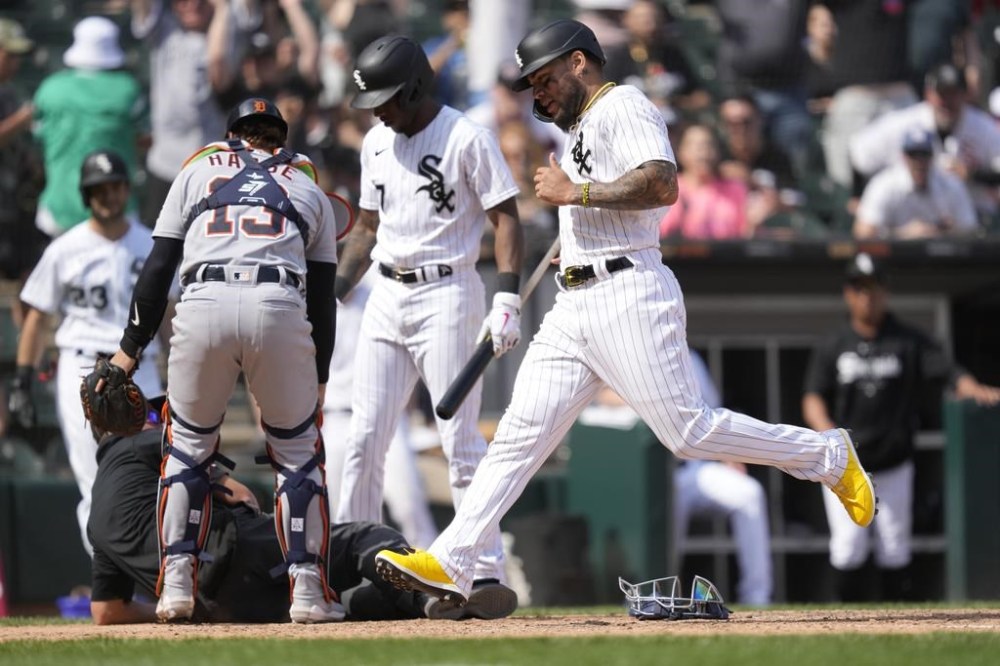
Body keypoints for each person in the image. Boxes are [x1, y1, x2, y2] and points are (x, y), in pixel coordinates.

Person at [373, 19, 877, 607]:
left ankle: (825, 454)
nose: (537, 94)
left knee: (689, 433)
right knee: (517, 436)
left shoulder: (624, 104)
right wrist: (577, 227)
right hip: (574, 300)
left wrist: (574, 196)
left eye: (543, 79)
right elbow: (608, 195)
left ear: (580, 62)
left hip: (628, 292)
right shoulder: (580, 127)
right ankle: (453, 561)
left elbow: (662, 185)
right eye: (530, 85)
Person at [103, 97, 341, 624]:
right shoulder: (308, 185)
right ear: (279, 137)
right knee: (298, 452)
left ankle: (177, 588)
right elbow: (322, 301)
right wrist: (320, 376)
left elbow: (159, 263)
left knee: (186, 449)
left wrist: (129, 349)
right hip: (278, 305)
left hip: (203, 303)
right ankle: (306, 593)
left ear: (232, 134)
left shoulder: (195, 169)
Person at [332, 34, 524, 606]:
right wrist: (336, 293)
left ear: (416, 86)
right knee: (365, 435)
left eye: (388, 99)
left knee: (459, 438)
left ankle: (483, 571)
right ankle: (349, 562)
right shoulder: (374, 144)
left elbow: (506, 217)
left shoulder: (466, 135)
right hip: (386, 292)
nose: (380, 112)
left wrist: (508, 296)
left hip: (448, 291)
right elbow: (366, 227)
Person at [88, 411, 512, 623]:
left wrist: (171, 608)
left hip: (222, 608)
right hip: (239, 550)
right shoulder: (141, 445)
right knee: (359, 537)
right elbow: (236, 491)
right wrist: (248, 500)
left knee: (336, 602)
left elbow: (106, 610)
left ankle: (416, 605)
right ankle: (428, 596)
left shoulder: (96, 518)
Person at [802, 253, 1000, 602]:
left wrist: (973, 388)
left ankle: (897, 621)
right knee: (848, 547)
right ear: (849, 293)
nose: (868, 296)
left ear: (886, 292)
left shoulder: (907, 340)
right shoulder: (835, 343)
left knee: (895, 548)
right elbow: (813, 397)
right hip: (847, 466)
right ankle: (843, 625)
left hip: (894, 462)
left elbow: (949, 373)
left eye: (875, 288)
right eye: (861, 288)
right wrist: (829, 436)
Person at [10, 149, 174, 558]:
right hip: (81, 370)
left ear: (127, 189)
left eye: (115, 186)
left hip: (142, 370)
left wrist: (177, 371)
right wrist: (22, 380)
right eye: (98, 189)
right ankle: (108, 584)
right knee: (94, 479)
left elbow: (171, 315)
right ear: (86, 195)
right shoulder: (66, 247)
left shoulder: (152, 243)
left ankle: (140, 577)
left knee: (149, 477)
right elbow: (36, 318)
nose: (108, 195)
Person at [583, 351, 773, 606]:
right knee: (663, 519)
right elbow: (601, 396)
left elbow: (712, 411)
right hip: (649, 472)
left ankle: (757, 596)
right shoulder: (627, 354)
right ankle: (657, 596)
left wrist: (729, 454)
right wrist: (646, 401)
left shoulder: (689, 358)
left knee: (749, 493)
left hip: (692, 468)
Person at [322, 267, 439, 550]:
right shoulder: (317, 303)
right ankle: (354, 584)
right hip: (332, 418)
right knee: (341, 513)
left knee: (408, 504)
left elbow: (406, 354)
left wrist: (407, 410)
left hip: (383, 413)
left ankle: (434, 577)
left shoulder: (375, 295)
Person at [130, 0, 261, 225]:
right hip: (167, 163)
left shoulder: (230, 25)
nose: (191, 5)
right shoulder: (164, 28)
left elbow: (219, 60)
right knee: (158, 244)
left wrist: (221, 8)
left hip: (216, 164)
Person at [32, 16, 146, 236]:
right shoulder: (129, 90)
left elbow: (39, 138)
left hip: (58, 210)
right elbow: (143, 140)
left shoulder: (48, 89)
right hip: (116, 210)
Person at [849, 63, 1000, 224]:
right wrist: (857, 195)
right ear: (929, 94)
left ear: (964, 95)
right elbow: (860, 152)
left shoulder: (983, 127)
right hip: (911, 221)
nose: (947, 102)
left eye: (953, 94)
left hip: (973, 218)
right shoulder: (905, 124)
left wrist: (972, 175)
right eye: (942, 94)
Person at [853, 128, 978, 239]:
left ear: (932, 156)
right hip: (890, 260)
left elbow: (970, 230)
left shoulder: (949, 184)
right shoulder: (885, 185)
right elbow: (863, 233)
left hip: (939, 261)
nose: (919, 162)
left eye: (924, 154)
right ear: (904, 156)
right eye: (913, 155)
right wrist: (903, 235)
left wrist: (942, 232)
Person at [658, 123, 750, 240]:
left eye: (708, 145)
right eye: (695, 146)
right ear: (680, 151)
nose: (703, 152)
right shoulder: (665, 189)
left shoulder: (735, 190)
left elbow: (745, 233)